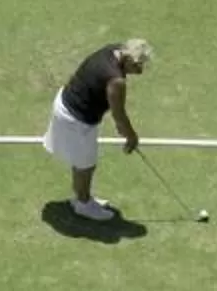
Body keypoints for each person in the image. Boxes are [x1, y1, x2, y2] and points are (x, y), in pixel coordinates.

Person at [45, 39, 149, 221]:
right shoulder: (116, 81)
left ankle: (82, 198)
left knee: (83, 161)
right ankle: (83, 204)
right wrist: (131, 137)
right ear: (127, 59)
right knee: (86, 164)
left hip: (66, 101)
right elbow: (119, 115)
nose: (140, 71)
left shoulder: (113, 49)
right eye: (138, 65)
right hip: (75, 119)